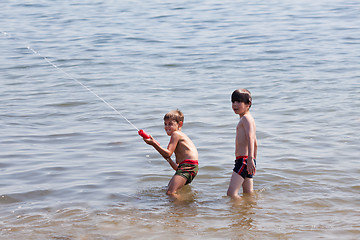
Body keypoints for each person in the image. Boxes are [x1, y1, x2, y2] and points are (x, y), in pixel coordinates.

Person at [142, 109, 199, 198]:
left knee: (170, 193)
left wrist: (153, 144)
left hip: (188, 166)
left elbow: (168, 153)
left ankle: (182, 209)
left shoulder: (176, 134)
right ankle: (183, 207)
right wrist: (168, 159)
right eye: (165, 124)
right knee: (168, 189)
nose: (167, 127)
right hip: (189, 167)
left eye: (170, 124)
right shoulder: (179, 137)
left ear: (180, 124)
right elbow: (177, 167)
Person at [227, 89, 258, 200]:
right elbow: (255, 142)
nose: (235, 105)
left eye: (239, 102)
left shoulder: (246, 119)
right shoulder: (247, 119)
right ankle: (248, 213)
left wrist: (250, 159)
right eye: (233, 102)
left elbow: (250, 138)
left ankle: (239, 211)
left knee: (231, 193)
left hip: (244, 160)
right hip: (247, 160)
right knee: (248, 194)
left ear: (248, 104)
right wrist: (253, 159)